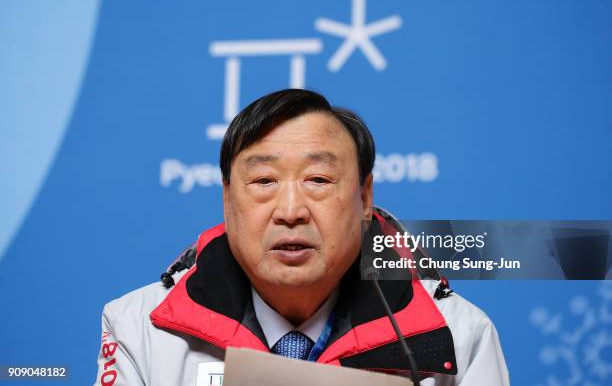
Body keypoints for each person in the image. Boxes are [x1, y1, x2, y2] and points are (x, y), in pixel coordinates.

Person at [94, 89, 510, 385]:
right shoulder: (140, 328)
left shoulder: (456, 334)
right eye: (263, 180)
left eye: (318, 179)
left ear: (364, 198)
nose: (290, 211)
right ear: (226, 199)